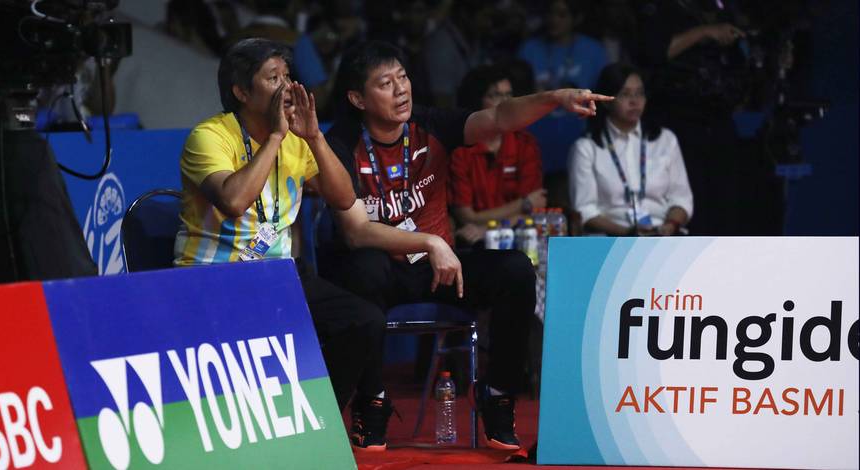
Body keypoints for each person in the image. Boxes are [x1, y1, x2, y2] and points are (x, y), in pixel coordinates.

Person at [320, 41, 610, 451]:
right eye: (386, 83)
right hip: (381, 269)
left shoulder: (431, 125)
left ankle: (496, 393)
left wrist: (556, 98)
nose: (401, 89)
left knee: (515, 270)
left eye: (403, 77)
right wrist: (429, 240)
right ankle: (372, 400)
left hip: (441, 270)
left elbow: (499, 116)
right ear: (357, 98)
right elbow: (354, 231)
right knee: (361, 269)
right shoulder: (340, 144)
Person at [172, 39, 387, 428]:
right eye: (273, 78)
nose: (288, 87)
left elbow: (343, 198)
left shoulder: (296, 140)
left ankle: (321, 424)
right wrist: (273, 137)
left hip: (278, 277)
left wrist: (315, 138)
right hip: (212, 278)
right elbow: (233, 201)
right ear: (241, 92)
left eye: (288, 76)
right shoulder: (209, 136)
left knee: (363, 321)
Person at [635, 0, 746, 235]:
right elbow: (655, 52)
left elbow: (739, 67)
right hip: (677, 122)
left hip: (718, 122)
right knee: (687, 201)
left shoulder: (723, 10)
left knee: (724, 203)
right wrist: (704, 32)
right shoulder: (662, 10)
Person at [569, 63, 693, 236]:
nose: (635, 101)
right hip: (611, 239)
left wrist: (670, 225)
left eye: (640, 93)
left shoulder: (665, 139)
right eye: (625, 94)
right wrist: (629, 233)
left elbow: (682, 199)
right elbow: (585, 210)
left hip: (662, 235)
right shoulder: (586, 148)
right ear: (605, 101)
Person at [516, 0, 610, 217]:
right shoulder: (529, 49)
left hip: (576, 142)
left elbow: (605, 101)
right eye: (550, 13)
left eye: (562, 14)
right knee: (534, 216)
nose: (553, 20)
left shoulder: (593, 50)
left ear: (576, 18)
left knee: (571, 213)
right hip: (535, 146)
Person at [450, 65, 546, 247]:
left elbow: (535, 207)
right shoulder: (459, 149)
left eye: (508, 95)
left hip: (520, 236)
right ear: (476, 101)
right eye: (495, 95)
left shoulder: (525, 143)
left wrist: (489, 230)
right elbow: (466, 215)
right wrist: (523, 203)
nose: (505, 103)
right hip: (471, 242)